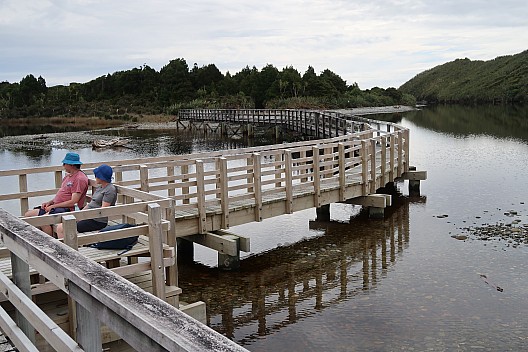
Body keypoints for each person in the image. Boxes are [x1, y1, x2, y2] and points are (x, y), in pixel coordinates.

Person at [24, 152, 89, 236]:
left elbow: (73, 201)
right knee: (28, 215)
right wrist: (50, 202)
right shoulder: (68, 176)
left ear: (71, 165)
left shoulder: (79, 179)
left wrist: (53, 206)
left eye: (64, 163)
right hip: (57, 206)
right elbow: (62, 194)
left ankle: (50, 242)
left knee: (42, 220)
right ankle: (39, 239)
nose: (63, 165)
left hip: (68, 209)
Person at [55, 164, 117, 239]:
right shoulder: (100, 187)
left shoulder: (110, 190)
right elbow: (91, 204)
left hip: (97, 221)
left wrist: (85, 216)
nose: (95, 177)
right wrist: (79, 215)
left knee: (62, 227)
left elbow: (103, 210)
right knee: (63, 223)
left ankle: (66, 248)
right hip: (88, 216)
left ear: (102, 177)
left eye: (97, 175)